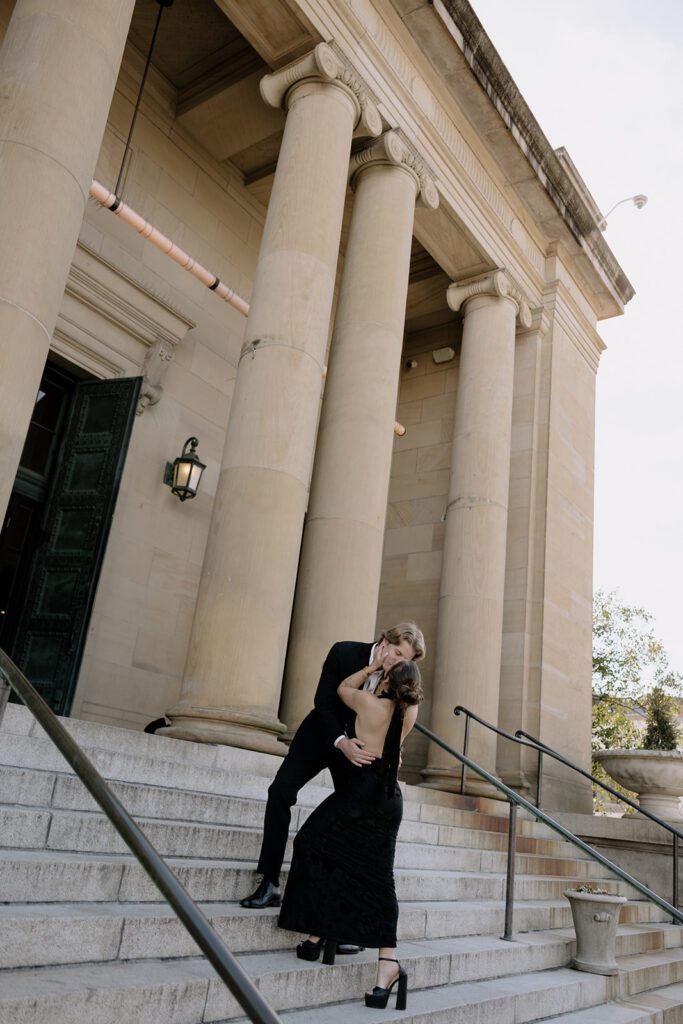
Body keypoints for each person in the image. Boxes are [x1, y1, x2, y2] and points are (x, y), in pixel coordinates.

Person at [240, 623, 425, 915]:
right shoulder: (344, 651)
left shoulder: (397, 680)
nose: (400, 663)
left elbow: (396, 719)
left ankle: (344, 909)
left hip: (360, 752)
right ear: (385, 641)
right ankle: (270, 881)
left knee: (358, 821)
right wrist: (341, 741)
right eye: (398, 653)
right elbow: (323, 702)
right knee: (280, 791)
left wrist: (394, 749)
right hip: (322, 735)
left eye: (407, 660)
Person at [277, 657, 424, 1010]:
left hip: (360, 795)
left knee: (312, 842)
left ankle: (378, 960)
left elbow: (341, 689)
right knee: (372, 875)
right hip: (388, 799)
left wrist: (372, 670)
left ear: (388, 680)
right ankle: (327, 937)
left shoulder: (369, 703)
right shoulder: (411, 712)